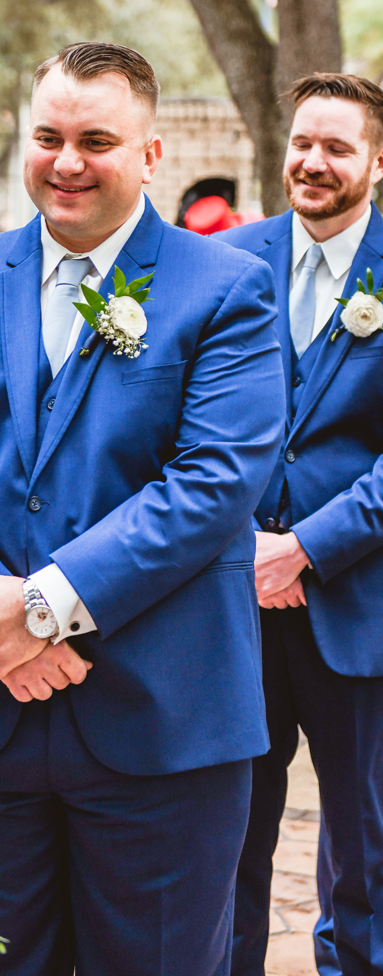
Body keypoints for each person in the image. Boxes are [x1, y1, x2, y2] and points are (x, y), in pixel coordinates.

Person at [0, 41, 286, 975]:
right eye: (49, 136)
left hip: (164, 715)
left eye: (97, 138)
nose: (66, 161)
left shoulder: (229, 290)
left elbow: (217, 479)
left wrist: (46, 605)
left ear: (151, 153)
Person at [217, 73, 383, 976]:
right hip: (228, 603)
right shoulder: (228, 263)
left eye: (338, 147)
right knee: (228, 833)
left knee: (368, 844)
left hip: (358, 605)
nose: (313, 163)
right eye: (303, 143)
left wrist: (309, 547)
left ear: (378, 162)